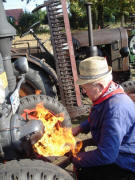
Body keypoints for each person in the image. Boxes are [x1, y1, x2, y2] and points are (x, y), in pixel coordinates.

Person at [72, 56, 135, 180]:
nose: (84, 92)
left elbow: (107, 155)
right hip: (117, 153)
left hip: (125, 163)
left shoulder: (115, 110)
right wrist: (79, 127)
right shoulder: (109, 92)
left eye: (85, 88)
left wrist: (76, 159)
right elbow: (97, 115)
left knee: (84, 171)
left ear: (99, 86)